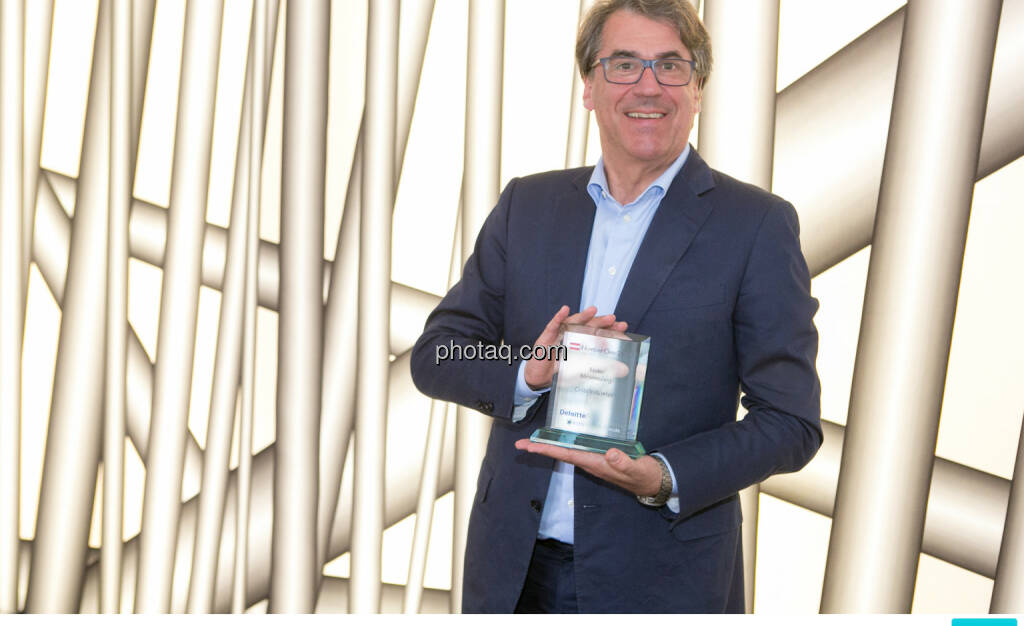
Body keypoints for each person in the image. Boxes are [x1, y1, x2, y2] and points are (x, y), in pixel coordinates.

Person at [410, 0, 821, 613]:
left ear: (697, 89)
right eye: (624, 64)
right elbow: (440, 354)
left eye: (670, 66)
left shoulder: (756, 226)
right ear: (589, 86)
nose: (647, 86)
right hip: (512, 573)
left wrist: (664, 475)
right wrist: (527, 371)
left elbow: (790, 421)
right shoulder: (528, 205)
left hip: (663, 579)